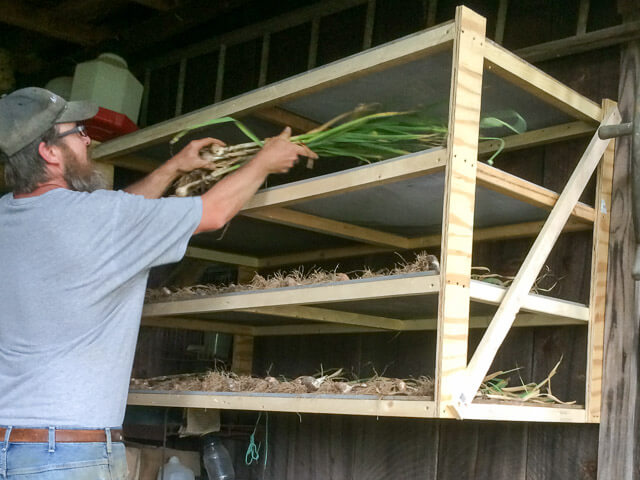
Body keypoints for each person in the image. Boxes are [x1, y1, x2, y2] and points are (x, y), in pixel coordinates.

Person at [0, 87, 316, 479]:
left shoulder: (9, 218)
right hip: (65, 454)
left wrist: (173, 168)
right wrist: (266, 161)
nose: (88, 139)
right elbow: (213, 212)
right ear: (49, 152)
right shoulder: (99, 218)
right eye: (78, 132)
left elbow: (118, 220)